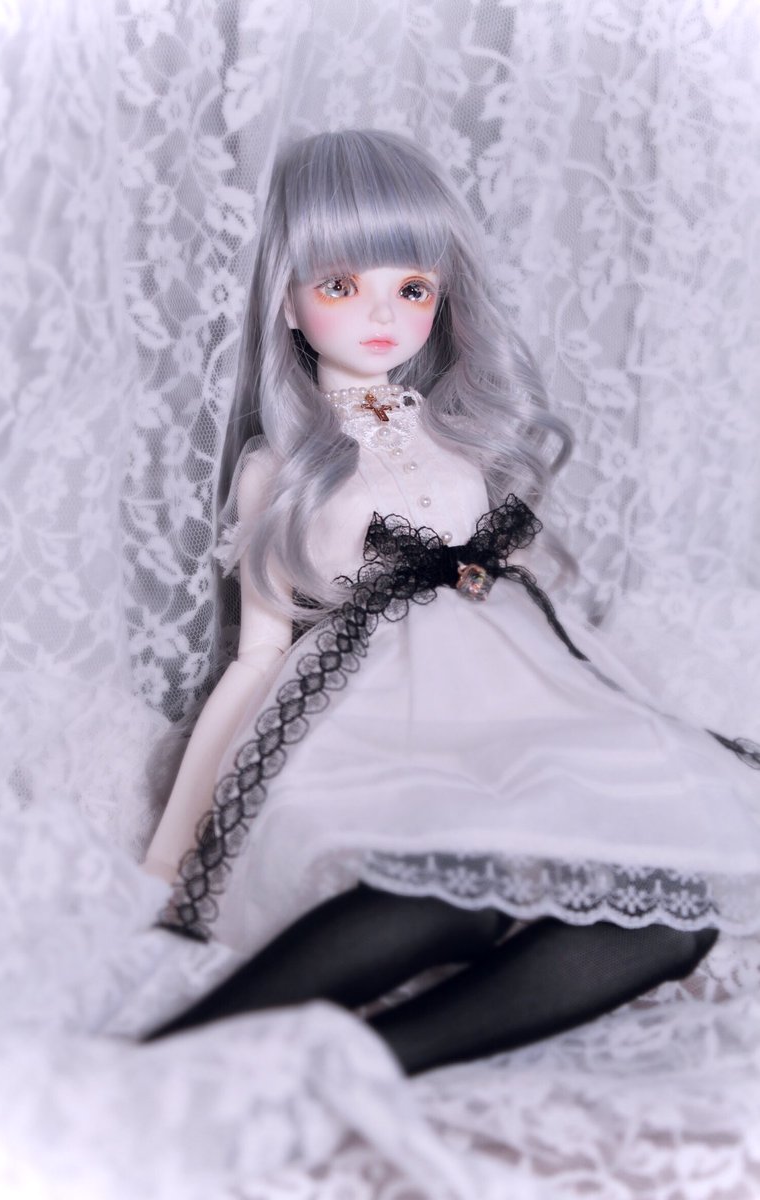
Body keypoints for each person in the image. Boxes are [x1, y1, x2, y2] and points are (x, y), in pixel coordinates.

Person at [142, 129, 759, 1073]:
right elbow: (256, 659)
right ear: (287, 302)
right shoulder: (283, 466)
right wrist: (182, 854)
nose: (381, 314)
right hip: (373, 720)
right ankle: (172, 1066)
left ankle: (355, 1068)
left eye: (413, 289)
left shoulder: (459, 436)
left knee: (667, 921)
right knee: (443, 896)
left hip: (508, 715)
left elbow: (538, 619)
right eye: (340, 285)